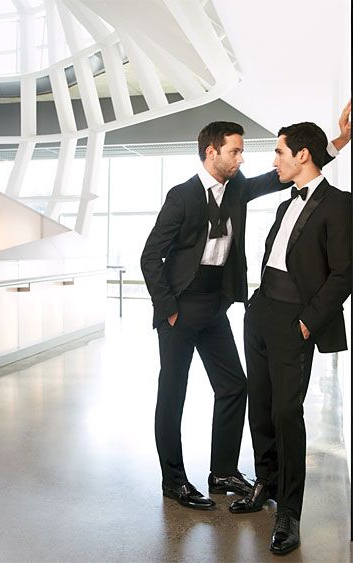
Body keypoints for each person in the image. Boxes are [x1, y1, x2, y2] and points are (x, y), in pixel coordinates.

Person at [140, 104, 350, 511]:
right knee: (173, 393)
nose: (241, 158)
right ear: (211, 153)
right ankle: (174, 480)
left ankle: (222, 471)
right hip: (180, 309)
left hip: (216, 306)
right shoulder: (181, 197)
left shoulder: (237, 188)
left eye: (241, 152)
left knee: (235, 386)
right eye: (234, 151)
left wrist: (339, 141)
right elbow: (151, 255)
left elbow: (285, 174)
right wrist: (168, 308)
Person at [229, 116, 351, 555]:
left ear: (302, 155)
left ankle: (290, 513)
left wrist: (306, 321)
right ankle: (267, 483)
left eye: (279, 151)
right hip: (261, 312)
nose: (274, 159)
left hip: (294, 320)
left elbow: (343, 274)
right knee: (259, 406)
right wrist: (254, 306)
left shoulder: (340, 204)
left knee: (286, 413)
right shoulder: (285, 203)